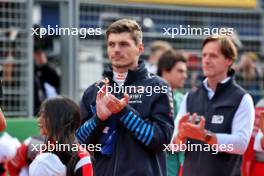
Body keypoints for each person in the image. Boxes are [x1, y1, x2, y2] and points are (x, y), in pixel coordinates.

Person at [76, 19, 174, 176]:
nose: (116, 50)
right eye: (111, 44)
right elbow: (79, 143)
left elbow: (161, 141)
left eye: (124, 44)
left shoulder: (158, 87)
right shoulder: (94, 91)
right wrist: (99, 119)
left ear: (139, 48)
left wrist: (124, 112)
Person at [172, 35, 255, 176]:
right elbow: (174, 145)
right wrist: (180, 136)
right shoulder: (190, 96)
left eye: (213, 56)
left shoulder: (242, 98)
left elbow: (241, 144)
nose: (206, 60)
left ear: (228, 60)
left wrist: (205, 136)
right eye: (204, 55)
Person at [29, 96, 93, 176]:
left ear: (60, 120)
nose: (39, 120)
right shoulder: (45, 148)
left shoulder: (81, 157)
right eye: (40, 115)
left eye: (44, 116)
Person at [157, 49, 187, 176]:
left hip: (180, 165)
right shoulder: (151, 97)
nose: (185, 76)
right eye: (180, 71)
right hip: (158, 164)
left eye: (185, 72)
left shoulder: (183, 98)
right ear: (165, 70)